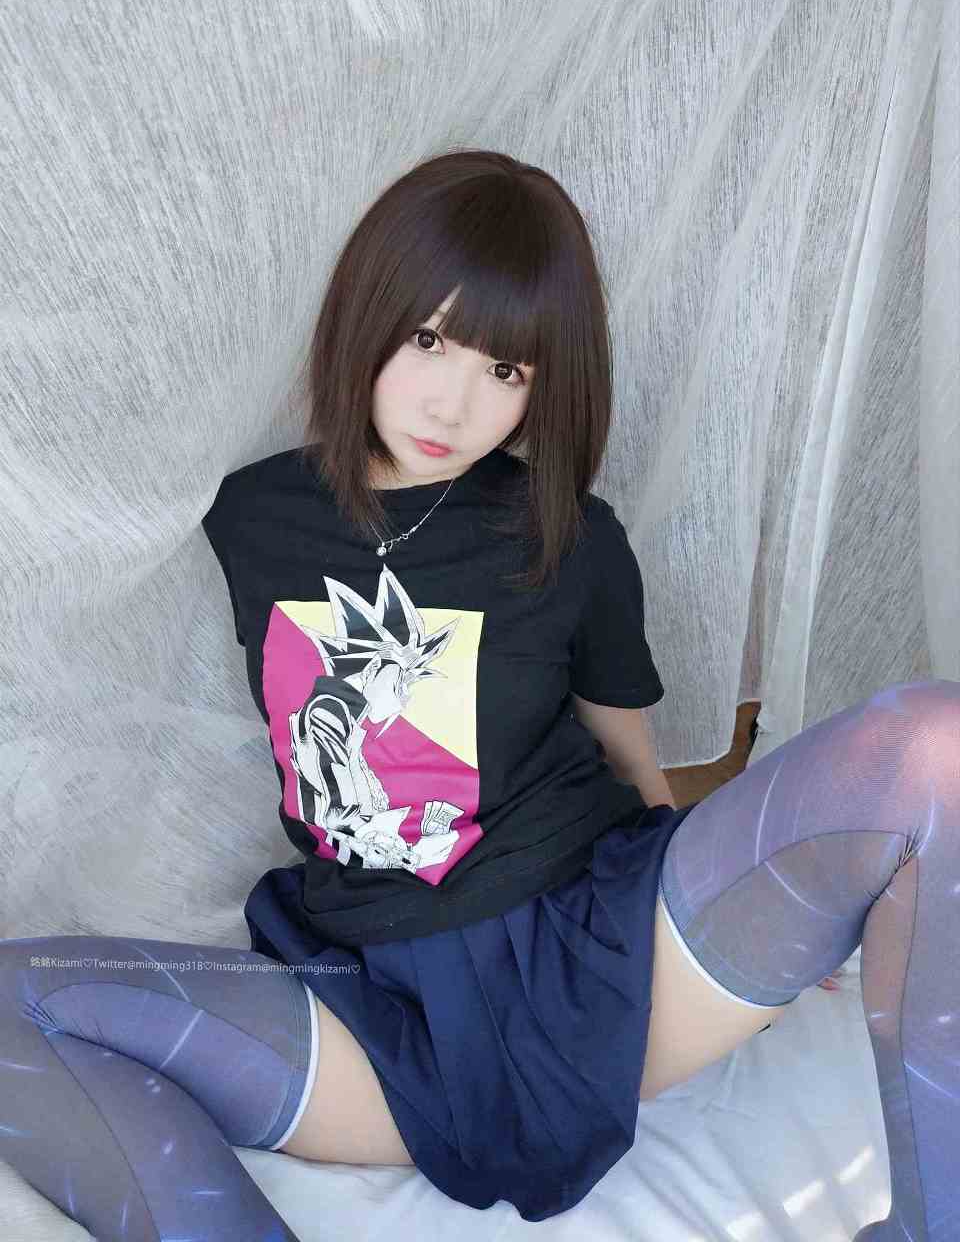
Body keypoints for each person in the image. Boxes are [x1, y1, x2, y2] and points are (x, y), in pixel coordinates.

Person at [0, 149, 956, 1242]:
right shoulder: (247, 515)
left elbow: (631, 762)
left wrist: (774, 898)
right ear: (367, 314)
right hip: (373, 1006)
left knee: (934, 746)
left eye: (507, 369)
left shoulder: (570, 536)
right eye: (428, 340)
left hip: (596, 959)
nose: (454, 403)